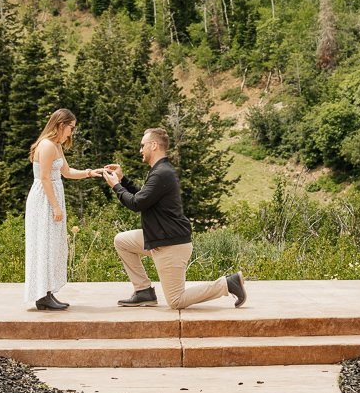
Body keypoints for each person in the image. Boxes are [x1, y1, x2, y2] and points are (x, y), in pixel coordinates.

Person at [102, 126, 246, 310]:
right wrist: (122, 180)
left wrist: (116, 186)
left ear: (153, 145)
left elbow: (136, 204)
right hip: (159, 237)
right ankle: (143, 291)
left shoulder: (162, 173)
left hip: (171, 244)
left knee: (176, 301)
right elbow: (143, 197)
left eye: (142, 145)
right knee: (122, 241)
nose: (140, 150)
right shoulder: (159, 171)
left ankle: (227, 284)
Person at [25, 108, 101, 311]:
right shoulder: (48, 146)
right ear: (61, 125)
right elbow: (44, 178)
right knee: (45, 244)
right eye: (71, 128)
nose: (72, 132)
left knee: (53, 245)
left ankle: (47, 292)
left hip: (52, 197)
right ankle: (42, 295)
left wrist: (89, 173)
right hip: (44, 200)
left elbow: (66, 172)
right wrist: (56, 207)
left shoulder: (56, 145)